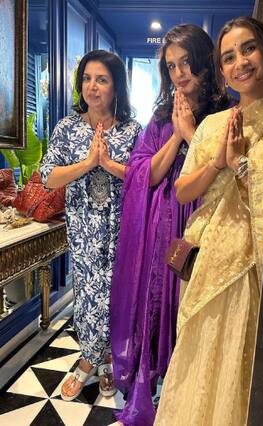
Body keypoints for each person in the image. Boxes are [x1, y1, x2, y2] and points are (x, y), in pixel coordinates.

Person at [153, 16, 263, 425]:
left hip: (248, 267)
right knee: (198, 368)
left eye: (248, 49)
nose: (240, 62)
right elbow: (183, 190)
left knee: (235, 371)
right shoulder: (211, 124)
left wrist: (241, 161)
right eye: (229, 57)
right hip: (205, 260)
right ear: (221, 70)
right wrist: (219, 164)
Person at [109, 24, 229, 425]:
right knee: (160, 301)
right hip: (163, 228)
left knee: (194, 304)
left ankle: (192, 393)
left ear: (205, 62)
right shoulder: (161, 118)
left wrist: (192, 132)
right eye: (172, 66)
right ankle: (161, 386)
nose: (180, 73)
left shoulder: (226, 114)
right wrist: (176, 136)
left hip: (205, 221)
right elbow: (145, 174)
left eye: (187, 62)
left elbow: (226, 171)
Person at [40, 50, 141, 401]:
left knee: (115, 296)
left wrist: (109, 164)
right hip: (83, 229)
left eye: (101, 79)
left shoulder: (132, 130)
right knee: (87, 295)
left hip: (121, 229)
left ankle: (107, 359)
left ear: (116, 87)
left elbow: (144, 178)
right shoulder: (67, 127)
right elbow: (48, 177)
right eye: (86, 78)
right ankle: (89, 359)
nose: (92, 87)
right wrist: (87, 163)